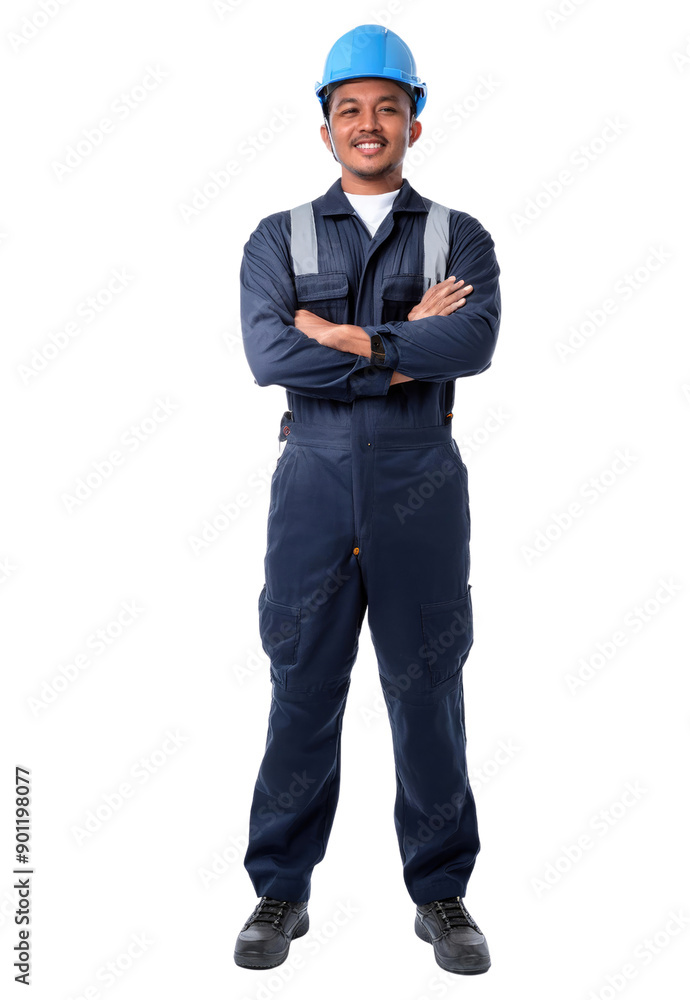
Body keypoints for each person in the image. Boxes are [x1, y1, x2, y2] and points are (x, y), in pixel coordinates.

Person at [233, 23, 501, 976]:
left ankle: (441, 893)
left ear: (414, 122)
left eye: (388, 107)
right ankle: (280, 889)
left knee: (426, 692)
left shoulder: (457, 235)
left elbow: (468, 345)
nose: (369, 123)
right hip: (310, 483)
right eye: (350, 109)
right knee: (301, 685)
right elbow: (271, 356)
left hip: (419, 482)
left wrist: (345, 339)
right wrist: (397, 346)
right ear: (325, 127)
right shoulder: (279, 236)